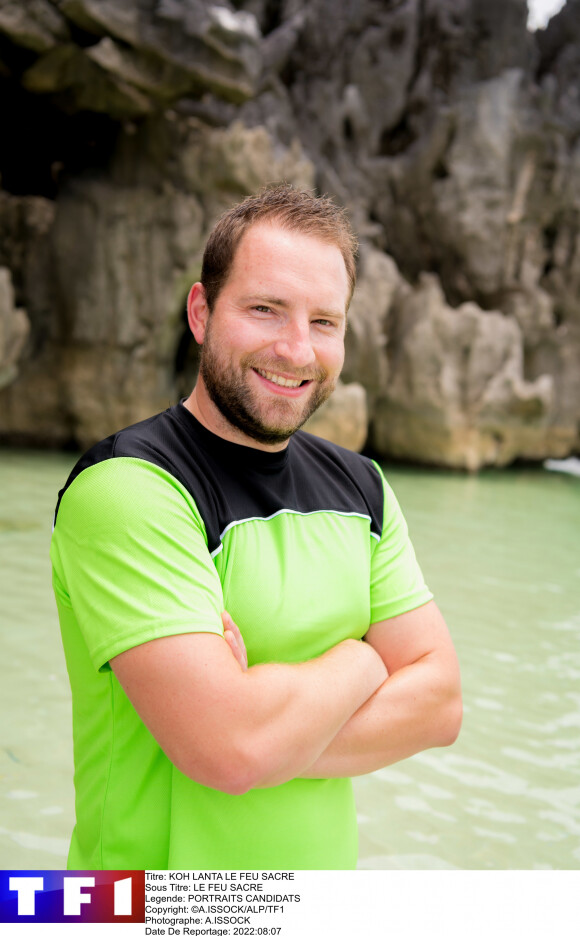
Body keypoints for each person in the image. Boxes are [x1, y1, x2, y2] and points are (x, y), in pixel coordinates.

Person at [51, 184, 462, 871]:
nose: (297, 350)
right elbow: (229, 749)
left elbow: (441, 704)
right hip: (141, 909)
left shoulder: (364, 488)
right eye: (266, 309)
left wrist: (266, 727)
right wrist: (361, 662)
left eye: (324, 322)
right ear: (202, 312)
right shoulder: (127, 488)